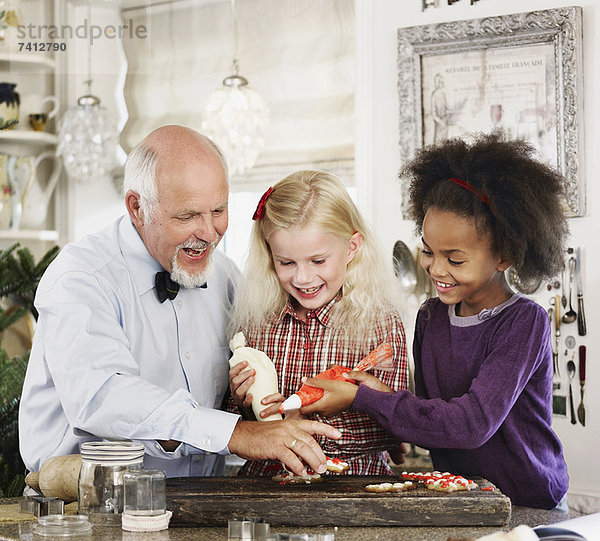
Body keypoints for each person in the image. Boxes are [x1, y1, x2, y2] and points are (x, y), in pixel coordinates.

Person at [19, 126, 340, 479]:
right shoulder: (81, 277)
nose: (209, 232)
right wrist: (235, 433)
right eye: (187, 216)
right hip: (84, 510)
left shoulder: (226, 277)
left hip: (201, 511)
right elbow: (104, 396)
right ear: (137, 207)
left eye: (219, 210)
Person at [300, 133, 570, 509]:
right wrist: (382, 395)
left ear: (504, 255)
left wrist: (364, 399)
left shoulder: (524, 323)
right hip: (461, 497)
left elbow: (470, 425)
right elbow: (431, 426)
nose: (436, 269)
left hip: (528, 500)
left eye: (454, 259)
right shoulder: (430, 317)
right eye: (427, 251)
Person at [227, 170, 409, 477]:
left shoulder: (380, 322)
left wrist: (302, 427)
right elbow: (233, 429)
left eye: (318, 261)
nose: (303, 278)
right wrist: (243, 401)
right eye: (287, 262)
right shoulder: (256, 320)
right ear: (270, 256)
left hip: (355, 490)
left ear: (352, 248)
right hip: (267, 486)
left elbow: (395, 429)